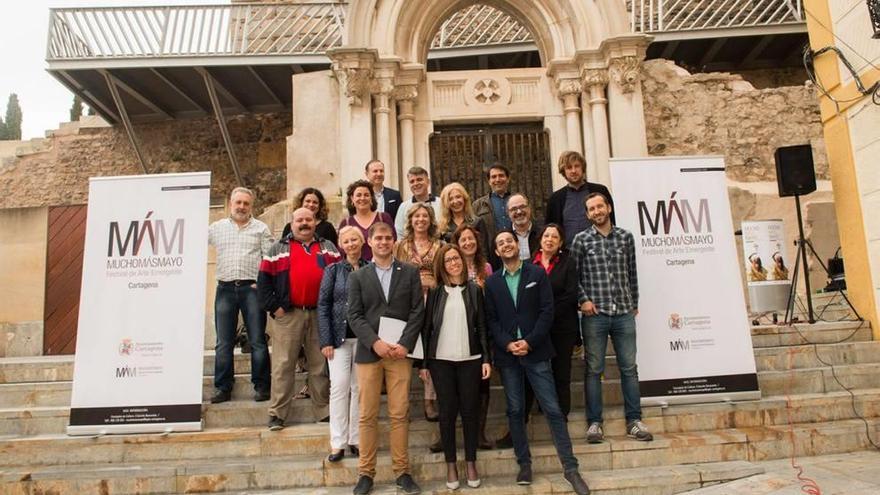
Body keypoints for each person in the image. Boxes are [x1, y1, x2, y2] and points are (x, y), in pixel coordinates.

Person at [483, 230, 591, 495]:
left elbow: (547, 311)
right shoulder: (493, 282)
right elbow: (491, 320)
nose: (506, 244)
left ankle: (570, 467)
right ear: (496, 252)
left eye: (509, 240)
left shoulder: (536, 274)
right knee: (516, 410)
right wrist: (508, 343)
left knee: (553, 409)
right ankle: (524, 463)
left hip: (537, 351)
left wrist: (529, 341)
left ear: (517, 246)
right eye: (500, 243)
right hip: (508, 356)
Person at [347, 222, 425, 495]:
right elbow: (354, 315)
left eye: (387, 237)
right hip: (371, 353)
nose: (383, 242)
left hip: (401, 354)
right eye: (378, 238)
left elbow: (418, 310)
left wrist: (405, 344)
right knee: (367, 415)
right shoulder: (358, 276)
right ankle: (366, 473)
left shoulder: (410, 272)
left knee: (399, 414)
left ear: (394, 241)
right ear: (370, 242)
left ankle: (402, 472)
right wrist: (376, 342)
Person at [571, 192, 653, 444]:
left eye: (599, 206)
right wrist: (583, 300)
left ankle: (634, 421)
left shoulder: (625, 237)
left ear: (608, 208)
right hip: (595, 316)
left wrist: (634, 303)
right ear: (587, 214)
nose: (596, 211)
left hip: (623, 314)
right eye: (591, 209)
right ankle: (595, 423)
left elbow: (632, 272)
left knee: (629, 369)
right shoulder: (581, 240)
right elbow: (573, 277)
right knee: (594, 370)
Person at [258, 207, 340, 431]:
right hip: (288, 315)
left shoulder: (328, 248)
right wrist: (276, 309)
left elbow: (340, 278)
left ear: (315, 222)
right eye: (299, 220)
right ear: (291, 223)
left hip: (320, 314)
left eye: (308, 219)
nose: (304, 223)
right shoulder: (278, 248)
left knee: (319, 365)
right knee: (283, 365)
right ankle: (277, 413)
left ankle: (323, 410)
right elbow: (264, 283)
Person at [420, 244, 492, 490]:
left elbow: (483, 326)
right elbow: (427, 329)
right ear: (442, 265)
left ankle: (471, 462)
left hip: (470, 360)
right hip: (441, 362)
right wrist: (424, 364)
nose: (453, 263)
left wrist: (486, 359)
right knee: (448, 413)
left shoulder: (474, 290)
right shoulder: (437, 294)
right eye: (448, 259)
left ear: (462, 260)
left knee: (471, 412)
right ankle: (451, 464)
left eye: (456, 258)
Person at [207, 187, 273, 404]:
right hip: (225, 289)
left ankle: (262, 386)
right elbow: (193, 241)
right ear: (231, 204)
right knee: (223, 342)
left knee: (257, 340)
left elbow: (269, 260)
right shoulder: (216, 228)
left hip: (251, 290)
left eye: (246, 203)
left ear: (251, 206)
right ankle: (223, 387)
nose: (242, 207)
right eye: (238, 203)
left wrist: (262, 284)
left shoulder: (261, 228)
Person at [393, 203, 443, 446]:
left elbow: (443, 272)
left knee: (431, 351)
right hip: (408, 302)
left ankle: (429, 399)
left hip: (434, 300)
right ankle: (400, 406)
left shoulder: (439, 245)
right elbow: (394, 273)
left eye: (425, 216)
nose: (421, 220)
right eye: (416, 216)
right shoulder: (400, 246)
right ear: (410, 220)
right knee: (408, 353)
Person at [318, 226, 368, 462]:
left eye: (354, 239)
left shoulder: (372, 268)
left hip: (364, 339)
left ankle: (356, 439)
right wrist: (325, 339)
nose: (351, 244)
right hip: (338, 339)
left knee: (359, 390)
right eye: (346, 241)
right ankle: (337, 443)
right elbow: (323, 305)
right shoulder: (333, 270)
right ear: (341, 244)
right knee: (339, 388)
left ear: (362, 241)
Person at [525, 224, 579, 420]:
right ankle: (542, 406)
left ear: (560, 242)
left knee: (561, 370)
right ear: (540, 239)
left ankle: (562, 412)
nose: (549, 240)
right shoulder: (529, 264)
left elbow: (571, 294)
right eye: (546, 236)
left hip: (562, 327)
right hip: (537, 329)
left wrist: (547, 315)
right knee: (540, 370)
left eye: (554, 237)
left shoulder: (568, 262)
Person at [452, 224, 494, 450]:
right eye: (463, 240)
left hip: (480, 329)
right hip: (457, 330)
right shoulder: (451, 266)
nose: (467, 243)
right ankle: (454, 432)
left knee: (483, 386)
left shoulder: (485, 268)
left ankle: (479, 433)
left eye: (471, 239)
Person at [545, 151, 614, 244]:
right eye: (569, 167)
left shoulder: (600, 191)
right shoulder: (555, 199)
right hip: (568, 254)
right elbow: (549, 229)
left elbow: (613, 219)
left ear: (583, 168)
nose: (573, 171)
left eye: (577, 166)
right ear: (563, 171)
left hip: (599, 250)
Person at [339, 180, 396, 261]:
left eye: (366, 195)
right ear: (352, 199)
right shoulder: (346, 223)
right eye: (358, 195)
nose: (362, 198)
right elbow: (341, 250)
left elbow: (393, 242)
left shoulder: (383, 218)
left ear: (371, 198)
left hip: (382, 266)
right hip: (356, 269)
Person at [473, 163, 513, 266]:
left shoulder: (517, 201)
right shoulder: (478, 205)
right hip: (492, 257)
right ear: (489, 181)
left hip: (515, 251)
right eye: (493, 177)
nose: (498, 179)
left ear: (508, 178)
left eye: (501, 175)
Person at [394, 166, 442, 235]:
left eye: (419, 179)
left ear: (428, 182)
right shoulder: (403, 207)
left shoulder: (441, 203)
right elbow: (399, 233)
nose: (416, 184)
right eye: (412, 181)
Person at [507, 193, 541, 261]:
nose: (519, 212)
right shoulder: (505, 238)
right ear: (508, 213)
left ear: (529, 208)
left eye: (522, 207)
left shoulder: (542, 234)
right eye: (514, 209)